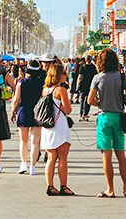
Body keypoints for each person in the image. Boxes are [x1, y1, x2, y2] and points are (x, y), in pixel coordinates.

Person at [87, 48, 126, 198]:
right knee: (120, 154)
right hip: (119, 118)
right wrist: (121, 98)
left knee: (106, 155)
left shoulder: (97, 78)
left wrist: (100, 103)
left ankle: (110, 189)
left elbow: (90, 100)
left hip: (104, 117)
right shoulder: (122, 77)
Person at [41, 62, 74, 196]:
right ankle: (63, 186)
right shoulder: (61, 90)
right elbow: (68, 110)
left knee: (51, 157)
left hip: (48, 127)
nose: (66, 75)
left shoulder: (45, 90)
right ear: (59, 75)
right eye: (64, 74)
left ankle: (50, 186)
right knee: (62, 158)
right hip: (59, 126)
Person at [11, 60, 43, 175]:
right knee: (35, 141)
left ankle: (23, 164)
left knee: (23, 141)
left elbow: (16, 100)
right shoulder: (42, 83)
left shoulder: (21, 82)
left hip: (24, 111)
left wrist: (12, 111)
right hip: (38, 113)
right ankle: (32, 167)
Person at [77, 56, 97, 121]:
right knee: (88, 99)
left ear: (85, 60)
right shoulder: (93, 67)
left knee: (82, 99)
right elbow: (95, 76)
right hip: (90, 84)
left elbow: (79, 77)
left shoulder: (82, 67)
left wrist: (77, 85)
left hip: (82, 84)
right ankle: (85, 113)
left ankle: (81, 112)